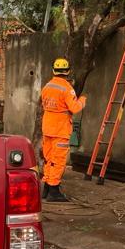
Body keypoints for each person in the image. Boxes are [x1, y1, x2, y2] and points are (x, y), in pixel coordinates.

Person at [40, 57, 86, 202]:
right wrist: (83, 100)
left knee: (49, 159)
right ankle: (54, 191)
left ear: (54, 70)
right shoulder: (67, 88)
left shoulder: (47, 86)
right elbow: (74, 108)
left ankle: (46, 187)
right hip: (60, 129)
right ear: (67, 72)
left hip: (47, 128)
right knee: (58, 161)